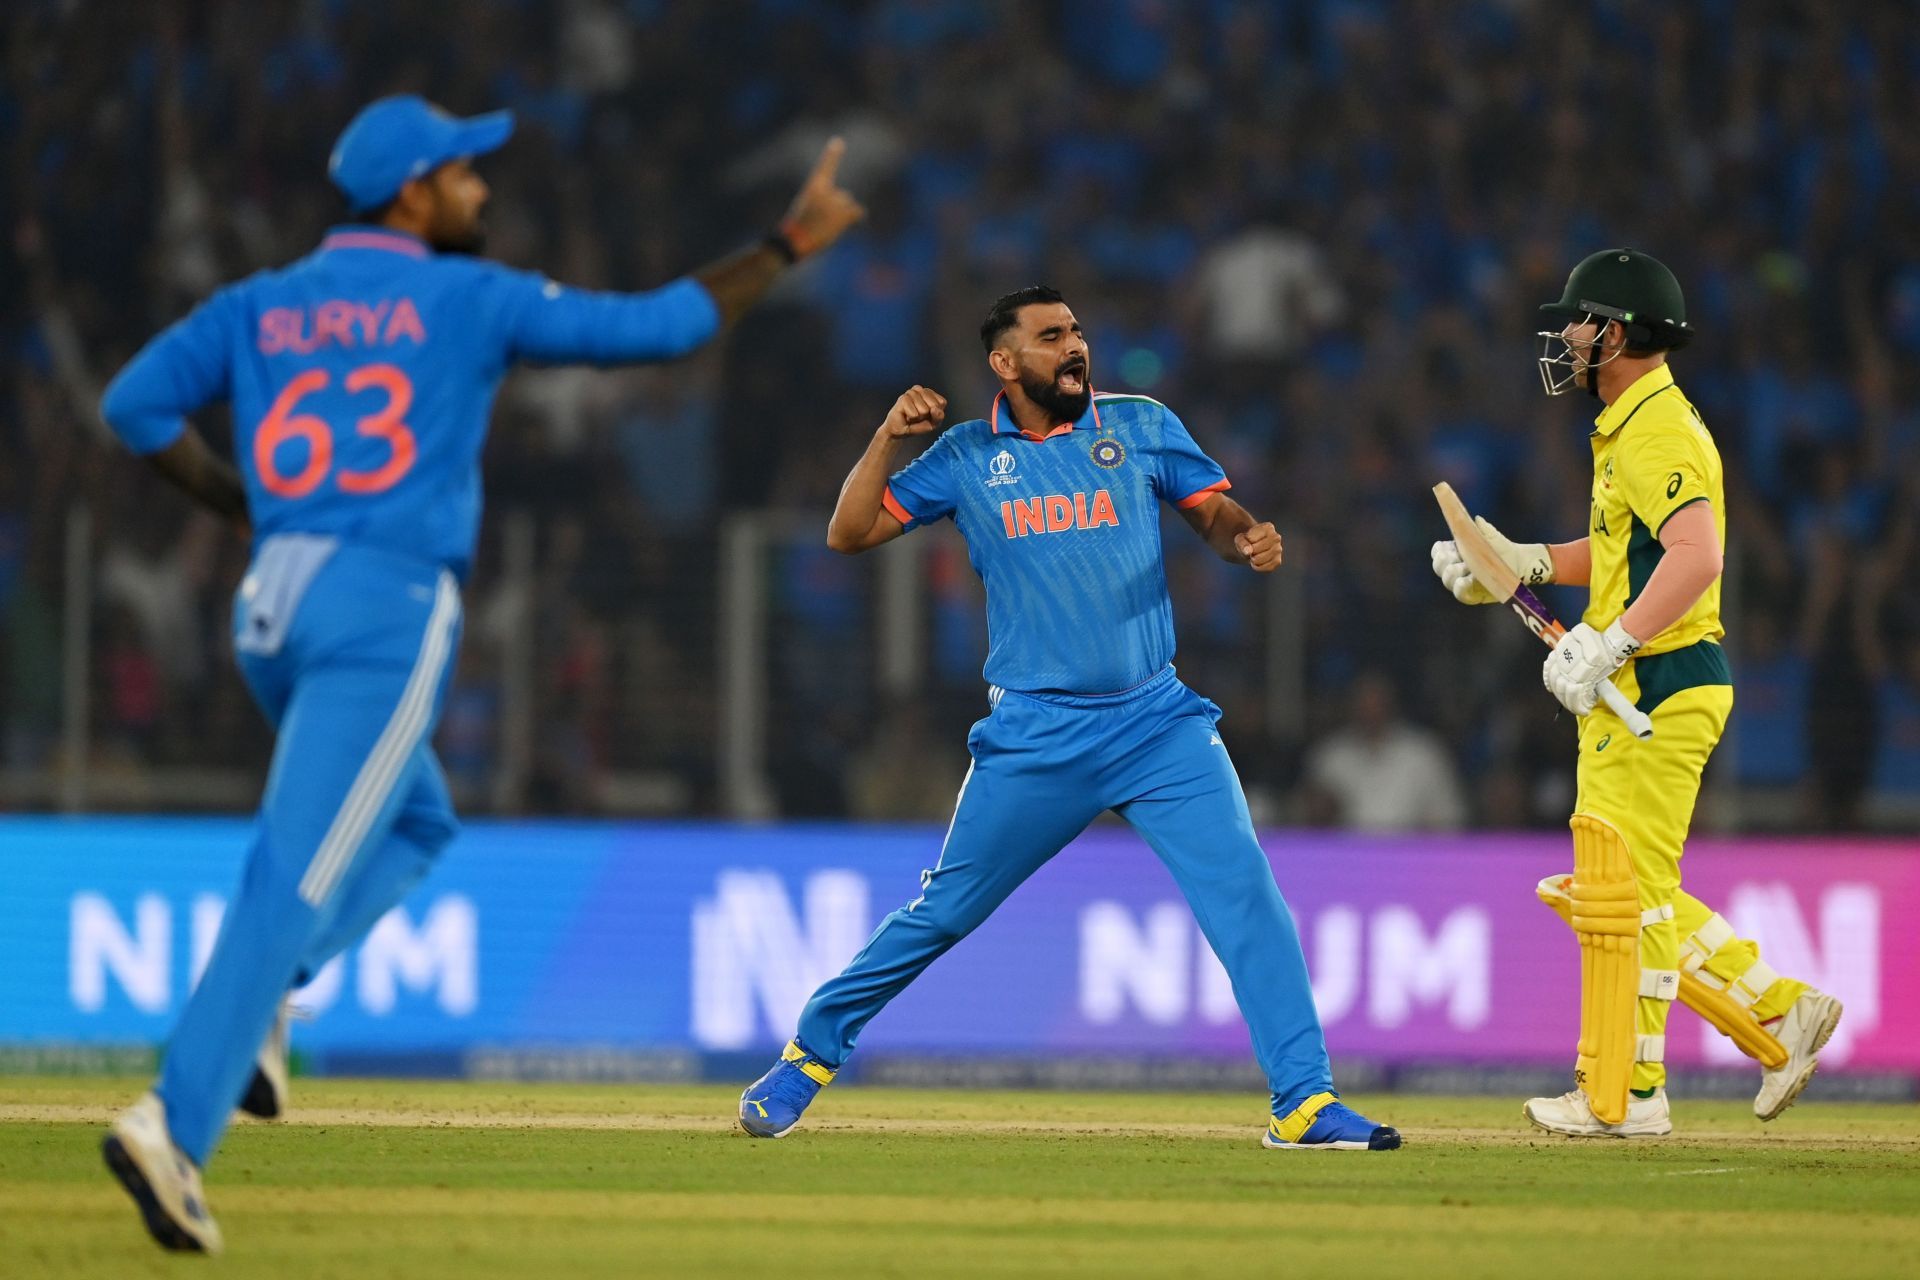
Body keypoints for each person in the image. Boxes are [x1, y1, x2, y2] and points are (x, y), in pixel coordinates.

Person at [95, 94, 863, 1253]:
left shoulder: (260, 303)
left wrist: (251, 508)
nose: (483, 189)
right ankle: (172, 1124)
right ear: (412, 193)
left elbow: (133, 404)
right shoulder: (466, 297)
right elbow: (663, 326)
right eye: (464, 172)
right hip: (383, 606)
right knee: (290, 870)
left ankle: (262, 1009)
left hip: (270, 600)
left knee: (414, 823)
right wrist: (788, 246)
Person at [737, 285, 1399, 1153]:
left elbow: (1215, 517)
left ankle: (1305, 1102)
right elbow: (848, 533)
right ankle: (807, 1056)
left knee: (1247, 894)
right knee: (944, 913)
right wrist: (885, 440)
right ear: (1005, 364)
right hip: (1037, 736)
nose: (1074, 345)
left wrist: (1245, 539)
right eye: (1051, 337)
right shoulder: (966, 456)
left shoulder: (1144, 425)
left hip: (1158, 722)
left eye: (1078, 330)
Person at [1432, 249, 1842, 1138]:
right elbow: (1623, 554)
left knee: (1626, 898)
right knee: (1624, 887)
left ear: (1613, 332)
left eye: (1578, 322)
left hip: (1653, 683)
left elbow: (1698, 556)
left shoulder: (1656, 427)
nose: (1566, 337)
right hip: (1641, 682)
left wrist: (1613, 640)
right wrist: (1523, 564)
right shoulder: (1633, 420)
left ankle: (1629, 1091)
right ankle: (1779, 1011)